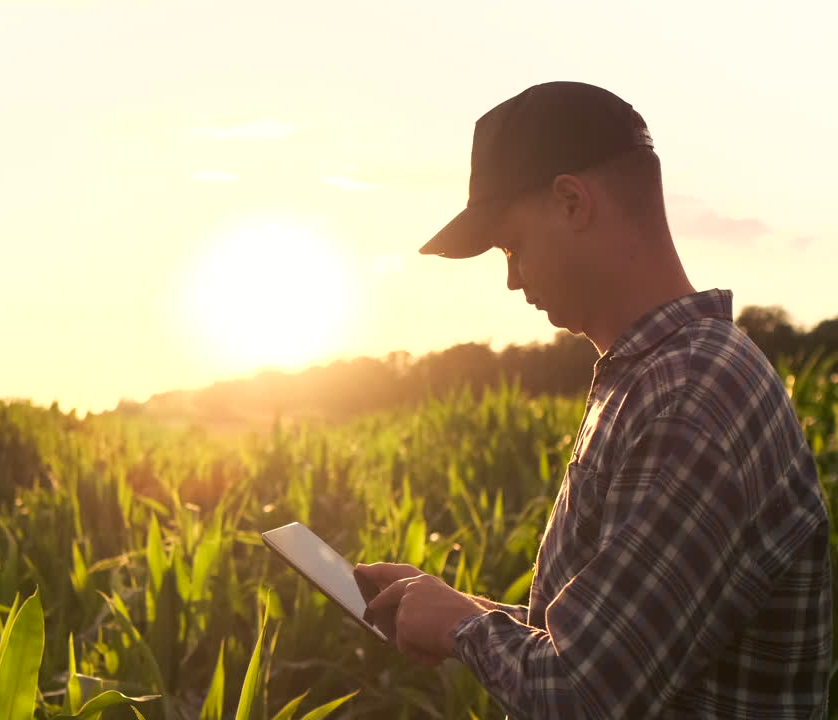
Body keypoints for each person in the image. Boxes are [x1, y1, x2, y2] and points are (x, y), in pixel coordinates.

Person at [353, 81, 831, 718]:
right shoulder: (658, 377)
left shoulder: (691, 393)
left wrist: (458, 630)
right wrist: (456, 607)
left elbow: (585, 694)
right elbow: (615, 641)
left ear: (573, 201)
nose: (512, 279)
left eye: (512, 247)